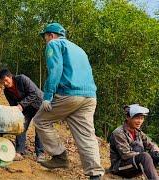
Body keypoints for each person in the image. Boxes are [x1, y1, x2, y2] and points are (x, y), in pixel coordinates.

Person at [33, 22, 105, 179]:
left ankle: (59, 156)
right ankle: (95, 175)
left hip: (69, 94)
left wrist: (48, 95)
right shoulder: (79, 49)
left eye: (45, 37)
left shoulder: (54, 44)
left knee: (40, 120)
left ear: (50, 35)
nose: (45, 40)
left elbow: (55, 69)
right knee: (86, 135)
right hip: (89, 96)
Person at [0, 69, 45, 162]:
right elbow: (13, 105)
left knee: (40, 129)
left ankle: (40, 154)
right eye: (2, 82)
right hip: (26, 108)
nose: (5, 83)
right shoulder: (6, 91)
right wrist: (14, 115)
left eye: (6, 80)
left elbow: (33, 93)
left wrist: (21, 105)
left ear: (10, 77)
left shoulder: (22, 79)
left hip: (39, 104)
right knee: (20, 126)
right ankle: (19, 152)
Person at [109, 104, 159, 179]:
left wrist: (155, 150)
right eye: (137, 118)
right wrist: (143, 155)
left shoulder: (138, 132)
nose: (140, 121)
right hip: (120, 168)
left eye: (142, 118)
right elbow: (125, 154)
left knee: (156, 155)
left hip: (133, 165)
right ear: (128, 117)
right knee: (145, 156)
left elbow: (151, 143)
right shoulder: (119, 133)